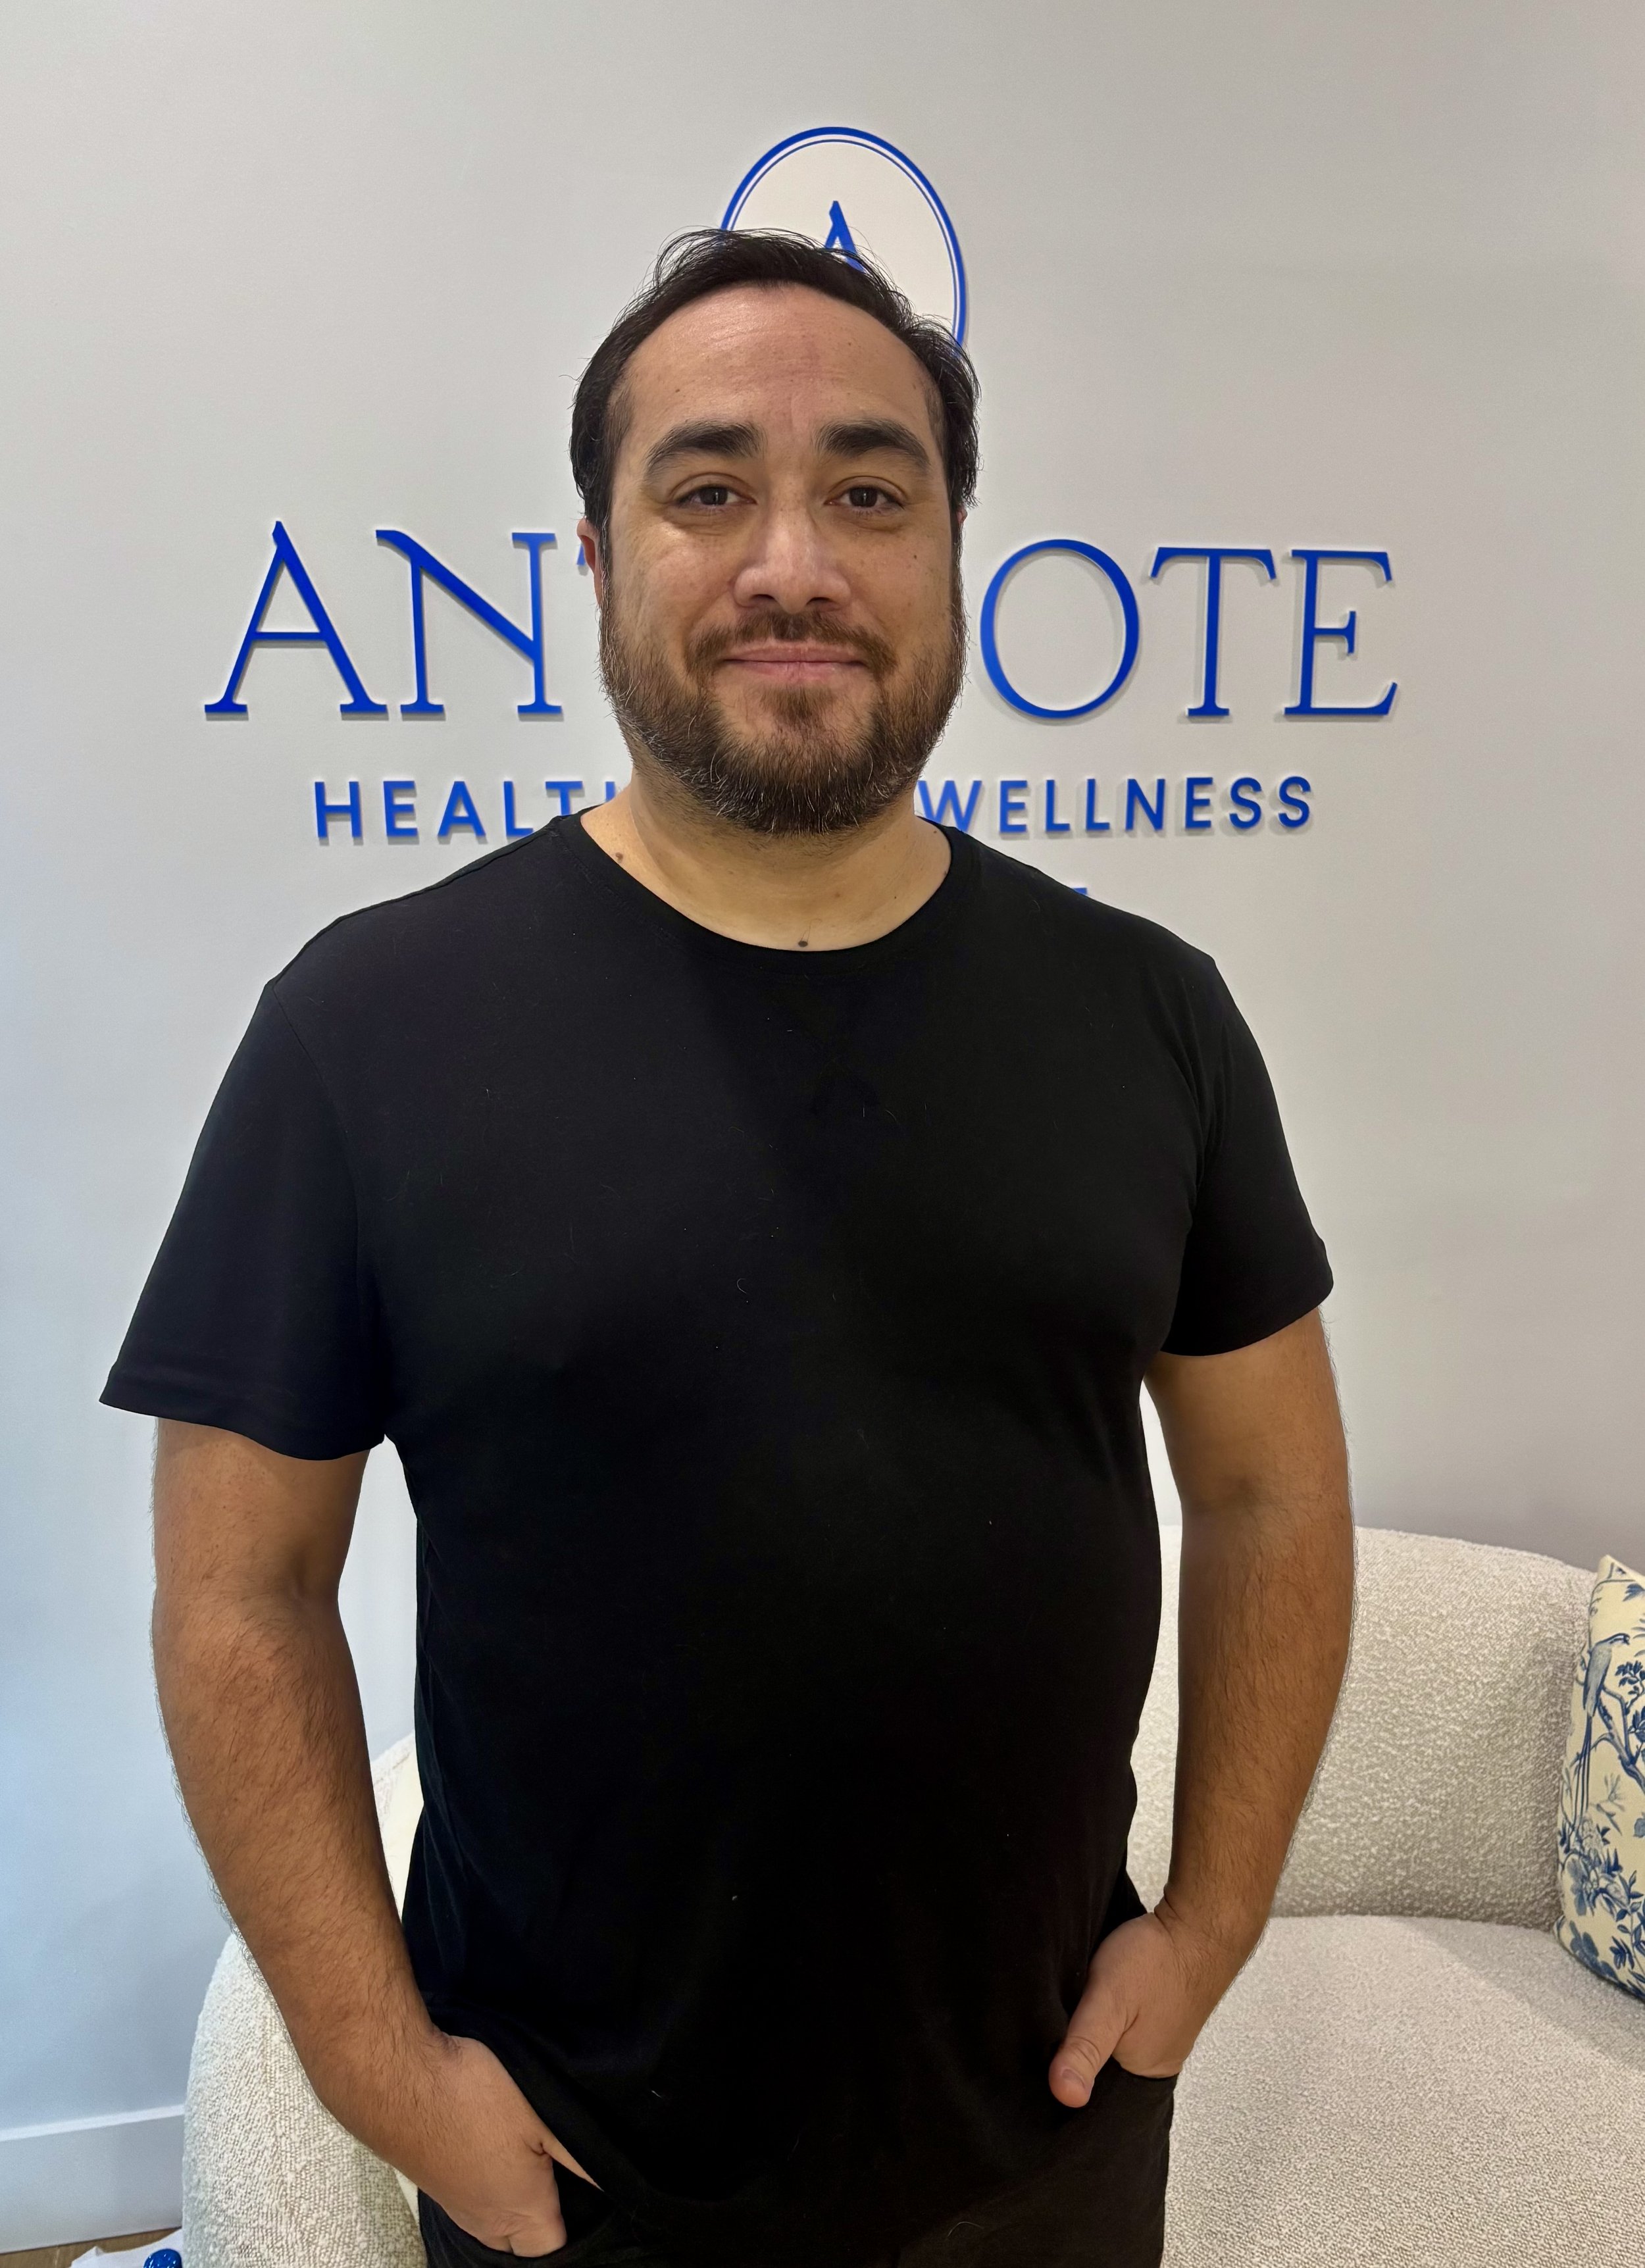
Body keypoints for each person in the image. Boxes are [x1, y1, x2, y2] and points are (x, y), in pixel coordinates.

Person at [103, 229, 1354, 2268]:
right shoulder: (368, 1028)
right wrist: (378, 2070)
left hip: (1042, 2138)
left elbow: (1269, 1486)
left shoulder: (1151, 1014)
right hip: (577, 2179)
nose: (796, 560)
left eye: (871, 491)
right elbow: (237, 1590)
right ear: (596, 563)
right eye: (708, 490)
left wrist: (1208, 1930)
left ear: (954, 553)